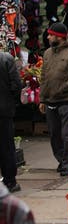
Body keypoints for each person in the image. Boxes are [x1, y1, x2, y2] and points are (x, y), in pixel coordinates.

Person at [39, 22, 68, 176]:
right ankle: (61, 159)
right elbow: (44, 77)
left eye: (51, 34)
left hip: (67, 100)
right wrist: (42, 98)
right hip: (50, 100)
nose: (48, 36)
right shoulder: (47, 53)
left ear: (58, 37)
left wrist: (65, 87)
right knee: (54, 134)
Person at [0, 52, 22, 192]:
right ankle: (10, 182)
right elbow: (16, 85)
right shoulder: (6, 58)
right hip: (4, 111)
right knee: (7, 147)